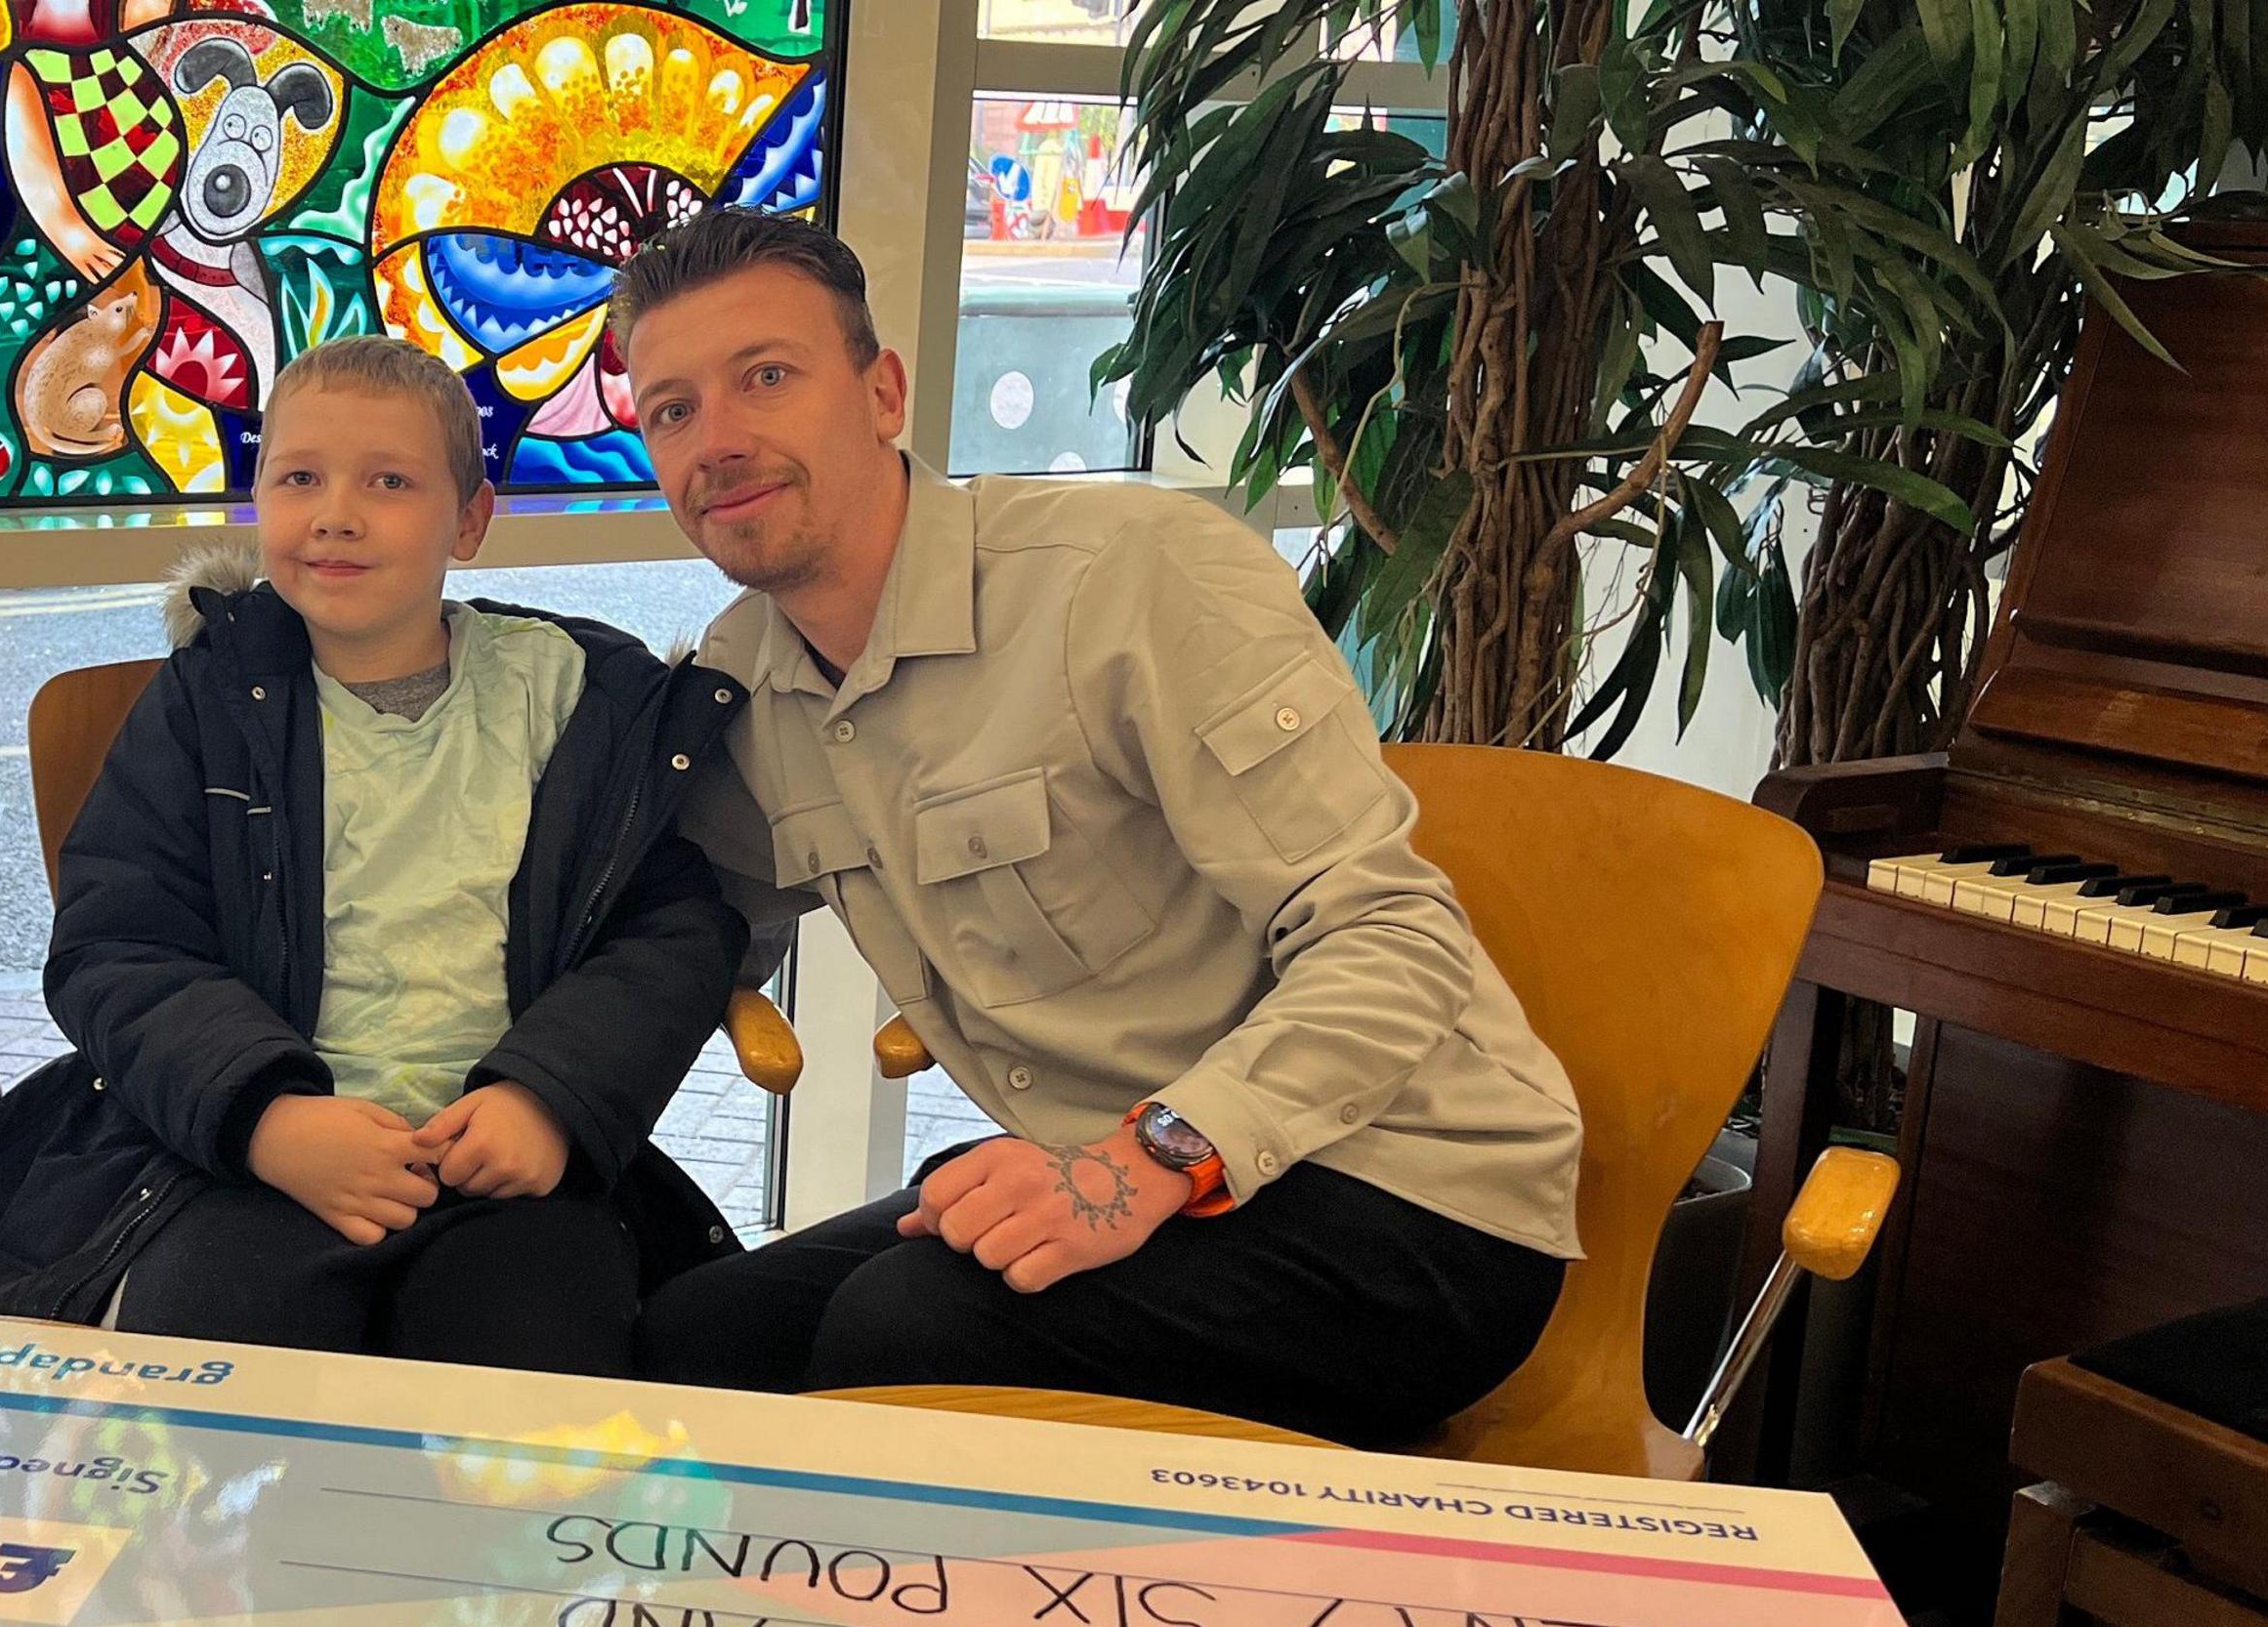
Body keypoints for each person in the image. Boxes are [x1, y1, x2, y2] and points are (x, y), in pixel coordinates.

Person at [616, 211, 1583, 1447]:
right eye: (672, 409)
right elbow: (679, 928)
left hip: (1408, 1196)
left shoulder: (1133, 581)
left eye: (766, 377)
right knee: (694, 1345)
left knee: (902, 1338)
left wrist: (1140, 1170)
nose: (720, 442)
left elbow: (1391, 937)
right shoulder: (747, 696)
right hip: (1101, 1177)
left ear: (883, 392)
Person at [0, 335, 748, 1375]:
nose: (337, 512)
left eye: (389, 480)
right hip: (250, 1161)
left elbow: (675, 928)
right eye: (299, 478)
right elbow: (120, 942)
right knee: (218, 1365)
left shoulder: (576, 698)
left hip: (507, 1164)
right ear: (259, 504)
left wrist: (550, 1096)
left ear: (469, 521)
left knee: (536, 1367)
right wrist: (266, 1119)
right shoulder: (208, 702)